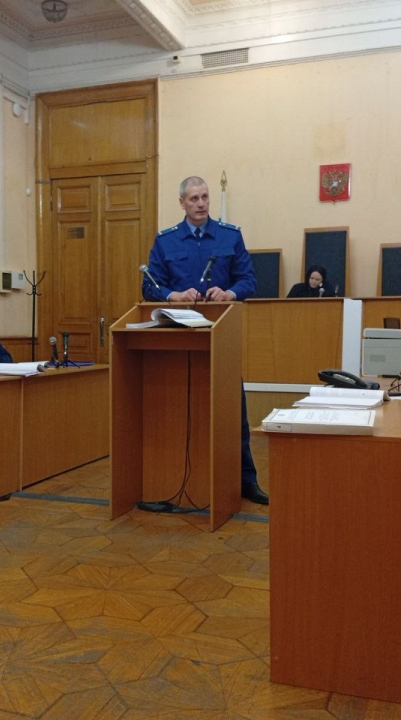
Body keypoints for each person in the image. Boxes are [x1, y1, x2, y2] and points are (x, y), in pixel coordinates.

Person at [142, 175, 268, 505]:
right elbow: (150, 285)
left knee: (233, 412)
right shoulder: (166, 241)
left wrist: (230, 293)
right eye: (194, 199)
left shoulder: (229, 235)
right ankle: (175, 478)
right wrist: (172, 295)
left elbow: (249, 280)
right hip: (179, 341)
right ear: (182, 203)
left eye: (205, 197)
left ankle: (245, 480)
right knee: (178, 409)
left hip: (221, 337)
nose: (201, 204)